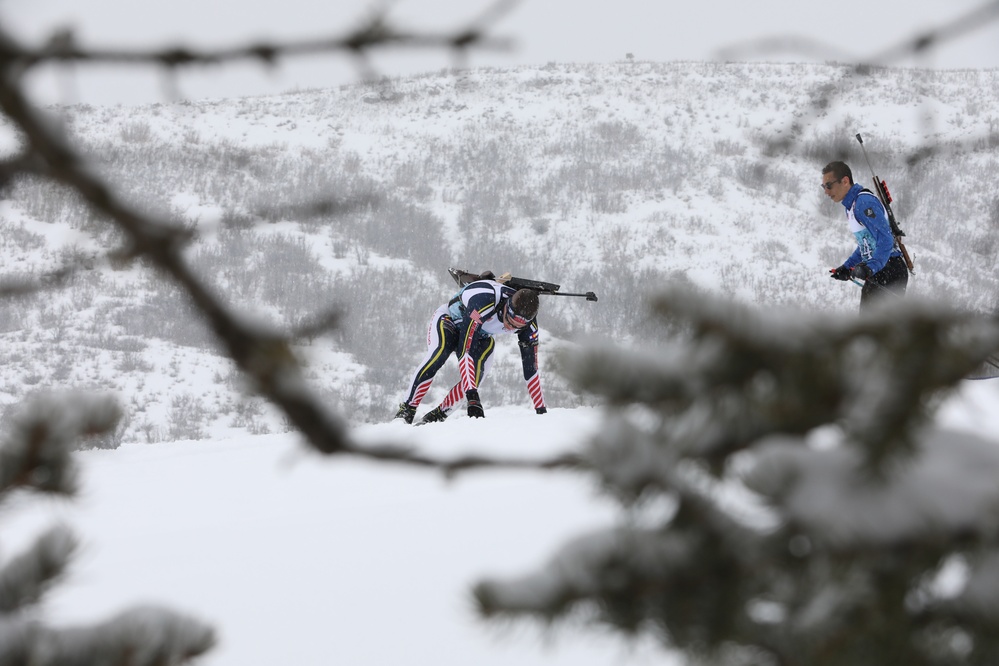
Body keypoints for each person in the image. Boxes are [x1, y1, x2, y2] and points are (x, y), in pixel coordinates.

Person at [393, 276, 547, 424]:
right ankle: (407, 410)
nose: (510, 327)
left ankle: (438, 415)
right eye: (509, 320)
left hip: (481, 334)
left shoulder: (530, 326)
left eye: (517, 327)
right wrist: (472, 397)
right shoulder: (484, 302)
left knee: (478, 373)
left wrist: (541, 410)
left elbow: (531, 370)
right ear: (506, 307)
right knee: (439, 354)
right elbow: (465, 349)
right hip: (449, 320)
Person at [823, 160, 908, 310]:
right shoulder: (851, 206)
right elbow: (867, 243)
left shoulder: (863, 203)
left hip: (889, 270)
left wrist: (870, 268)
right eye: (823, 186)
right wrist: (847, 267)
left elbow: (886, 239)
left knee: (874, 329)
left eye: (829, 185)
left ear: (845, 181)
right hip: (882, 270)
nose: (826, 192)